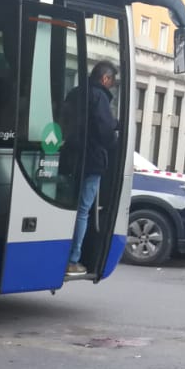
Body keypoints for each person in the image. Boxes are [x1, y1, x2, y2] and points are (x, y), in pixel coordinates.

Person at [62, 62, 120, 276]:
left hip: (69, 157)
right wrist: (115, 132)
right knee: (83, 210)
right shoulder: (99, 97)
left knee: (66, 205)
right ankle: (73, 259)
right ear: (105, 79)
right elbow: (105, 130)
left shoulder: (75, 93)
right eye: (112, 81)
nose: (112, 86)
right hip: (92, 160)